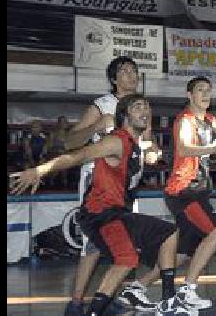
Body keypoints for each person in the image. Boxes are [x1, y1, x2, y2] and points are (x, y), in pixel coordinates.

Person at [10, 94, 189, 316]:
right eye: (138, 107)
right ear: (123, 115)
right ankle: (167, 300)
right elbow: (78, 155)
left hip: (114, 213)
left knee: (131, 257)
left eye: (147, 108)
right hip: (101, 214)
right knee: (151, 242)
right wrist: (38, 170)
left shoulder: (135, 145)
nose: (145, 111)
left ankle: (102, 309)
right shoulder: (116, 141)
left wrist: (152, 152)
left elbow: (145, 154)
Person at [124, 76, 216, 310]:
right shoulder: (185, 120)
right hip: (184, 191)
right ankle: (187, 290)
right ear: (189, 95)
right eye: (200, 90)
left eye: (208, 90)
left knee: (183, 253)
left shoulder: (207, 119)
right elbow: (184, 148)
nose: (205, 94)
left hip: (196, 191)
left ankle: (137, 287)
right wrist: (214, 147)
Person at [61, 57, 162, 315]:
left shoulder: (142, 109)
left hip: (128, 185)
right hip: (99, 182)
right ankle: (75, 304)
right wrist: (95, 126)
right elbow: (69, 142)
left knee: (127, 246)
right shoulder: (101, 105)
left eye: (134, 70)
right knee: (92, 246)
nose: (131, 74)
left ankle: (116, 301)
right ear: (114, 79)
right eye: (124, 71)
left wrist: (153, 151)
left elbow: (148, 143)